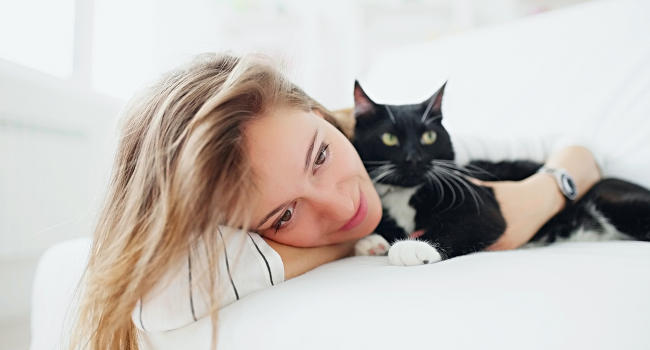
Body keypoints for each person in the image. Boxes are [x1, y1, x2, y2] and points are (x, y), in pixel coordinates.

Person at [69, 53, 601, 349]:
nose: (340, 205)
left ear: (325, 118)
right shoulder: (221, 236)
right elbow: (151, 294)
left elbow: (578, 152)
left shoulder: (396, 148)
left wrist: (536, 195)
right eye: (284, 214)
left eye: (320, 155)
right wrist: (343, 249)